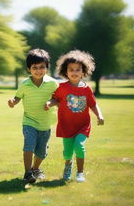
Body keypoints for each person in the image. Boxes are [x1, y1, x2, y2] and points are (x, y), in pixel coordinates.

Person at [44, 50, 104, 182]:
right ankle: (68, 166)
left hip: (82, 125)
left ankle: (80, 173)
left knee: (79, 147)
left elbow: (93, 104)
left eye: (78, 69)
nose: (74, 72)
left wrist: (99, 115)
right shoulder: (62, 87)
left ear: (83, 71)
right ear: (66, 72)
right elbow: (56, 99)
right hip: (66, 126)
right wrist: (49, 103)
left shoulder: (86, 89)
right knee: (67, 152)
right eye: (71, 69)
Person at [8, 49, 58, 183]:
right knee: (29, 146)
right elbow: (18, 97)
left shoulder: (53, 83)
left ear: (47, 67)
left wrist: (51, 103)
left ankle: (36, 168)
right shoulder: (25, 84)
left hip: (45, 123)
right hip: (29, 121)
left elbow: (58, 99)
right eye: (34, 68)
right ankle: (27, 173)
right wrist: (13, 101)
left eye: (42, 67)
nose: (38, 70)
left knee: (42, 152)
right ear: (29, 69)